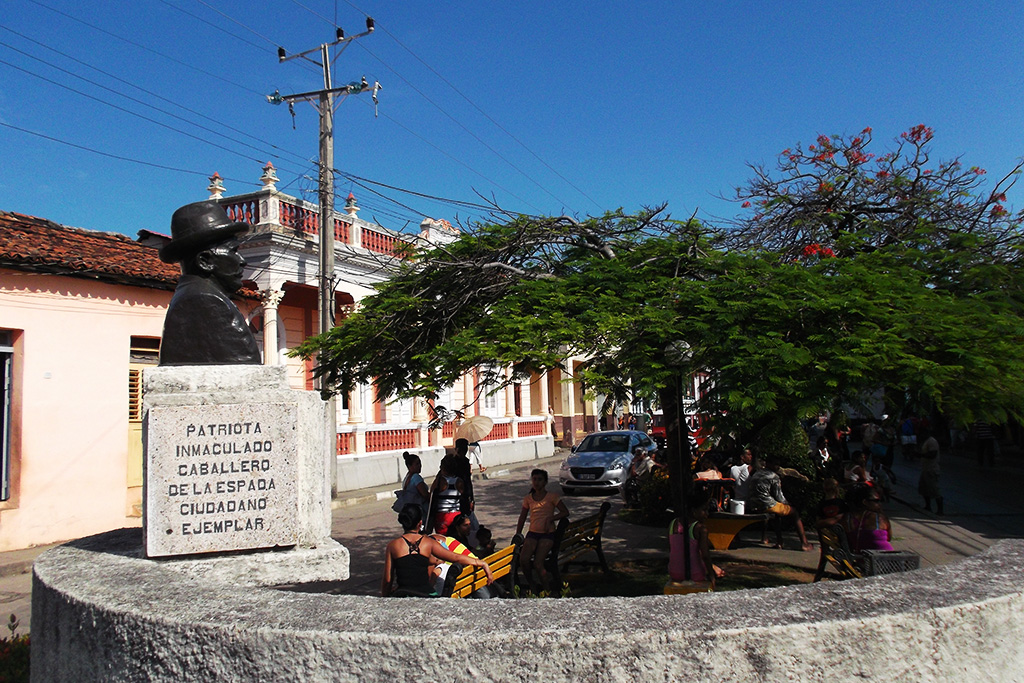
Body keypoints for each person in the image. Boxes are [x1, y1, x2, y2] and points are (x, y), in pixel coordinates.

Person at [158, 201, 262, 366]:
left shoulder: (196, 296)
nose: (242, 261)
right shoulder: (206, 301)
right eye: (233, 251)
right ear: (205, 261)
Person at [381, 504, 492, 597]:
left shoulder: (393, 546)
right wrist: (480, 563)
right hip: (425, 594)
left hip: (404, 594)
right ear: (420, 523)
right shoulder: (427, 542)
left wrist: (385, 599)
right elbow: (454, 557)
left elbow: (387, 580)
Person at [515, 469, 569, 593]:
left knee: (538, 564)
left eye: (540, 479)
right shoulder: (528, 498)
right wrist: (518, 534)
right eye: (534, 479)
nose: (537, 482)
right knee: (523, 560)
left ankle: (547, 590)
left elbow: (565, 512)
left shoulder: (552, 497)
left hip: (547, 534)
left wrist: (551, 518)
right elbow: (522, 517)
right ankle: (532, 585)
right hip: (533, 534)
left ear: (545, 482)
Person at [746, 457, 814, 551]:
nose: (777, 466)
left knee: (777, 513)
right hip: (766, 504)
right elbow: (780, 498)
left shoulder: (758, 473)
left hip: (754, 504)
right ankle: (804, 543)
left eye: (778, 464)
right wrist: (789, 505)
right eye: (775, 464)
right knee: (795, 513)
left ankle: (779, 542)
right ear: (768, 464)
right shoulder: (774, 476)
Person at [667, 492, 717, 588]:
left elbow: (671, 548)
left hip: (674, 572)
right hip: (695, 573)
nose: (707, 514)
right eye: (704, 510)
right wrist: (711, 575)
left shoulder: (673, 524)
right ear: (694, 510)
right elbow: (705, 555)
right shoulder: (700, 528)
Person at [844, 485, 894, 552]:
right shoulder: (880, 518)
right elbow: (889, 538)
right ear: (865, 502)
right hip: (885, 557)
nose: (880, 504)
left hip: (862, 558)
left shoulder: (847, 519)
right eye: (876, 501)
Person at [430, 455, 464, 534]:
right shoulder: (459, 481)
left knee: (443, 540)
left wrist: (438, 475)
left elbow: (432, 493)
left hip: (442, 515)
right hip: (456, 514)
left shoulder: (440, 481)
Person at [397, 451, 430, 520]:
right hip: (420, 510)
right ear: (409, 466)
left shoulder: (407, 477)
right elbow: (425, 495)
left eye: (420, 463)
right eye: (417, 464)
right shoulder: (416, 478)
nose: (420, 466)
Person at [918, 427, 943, 514]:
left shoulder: (932, 441)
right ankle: (928, 506)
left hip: (932, 469)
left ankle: (940, 509)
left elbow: (933, 454)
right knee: (924, 488)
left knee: (934, 489)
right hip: (925, 468)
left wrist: (921, 455)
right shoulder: (926, 441)